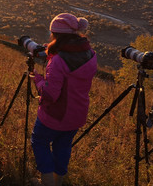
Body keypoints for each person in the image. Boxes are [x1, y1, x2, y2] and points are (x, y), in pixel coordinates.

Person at [31, 13, 97, 186]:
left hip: (55, 115)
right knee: (63, 146)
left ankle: (47, 182)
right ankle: (57, 181)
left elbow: (51, 94)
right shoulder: (90, 54)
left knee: (39, 142)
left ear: (56, 35)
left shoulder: (58, 61)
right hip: (77, 114)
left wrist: (37, 80)